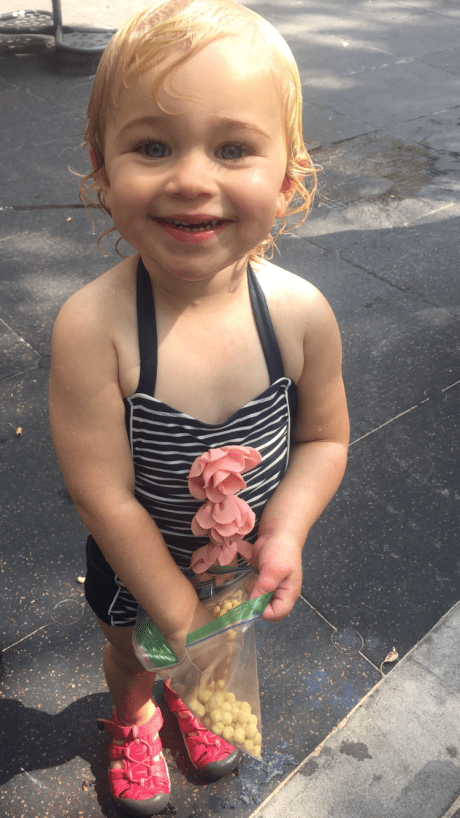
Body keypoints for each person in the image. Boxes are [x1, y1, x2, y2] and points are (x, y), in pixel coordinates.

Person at [49, 0, 350, 814]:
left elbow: (325, 438)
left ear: (286, 179)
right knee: (134, 654)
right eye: (152, 146)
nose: (190, 177)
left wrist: (286, 529)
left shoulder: (299, 315)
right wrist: (176, 614)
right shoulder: (96, 328)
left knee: (209, 653)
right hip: (137, 564)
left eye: (232, 148)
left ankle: (194, 692)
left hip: (236, 569)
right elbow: (101, 494)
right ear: (102, 167)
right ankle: (135, 718)